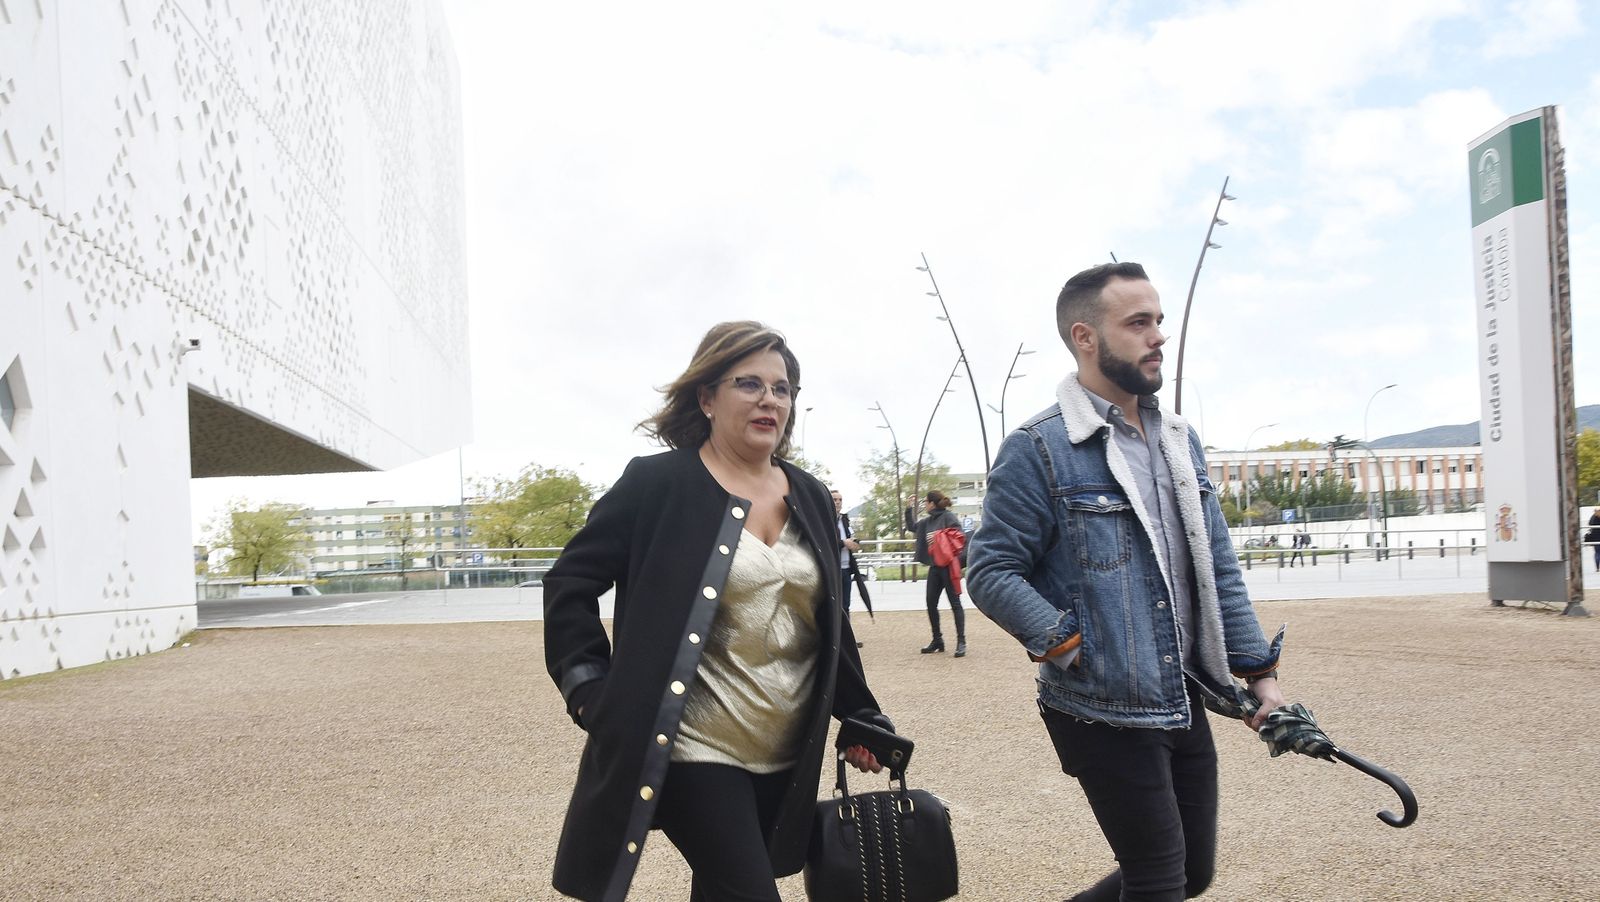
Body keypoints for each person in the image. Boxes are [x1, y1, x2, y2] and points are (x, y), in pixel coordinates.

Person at [543, 321, 894, 902]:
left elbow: (828, 625)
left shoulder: (806, 492)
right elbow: (569, 582)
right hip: (692, 747)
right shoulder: (657, 483)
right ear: (707, 398)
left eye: (782, 389)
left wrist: (860, 715)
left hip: (787, 750)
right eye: (749, 384)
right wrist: (588, 688)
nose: (769, 400)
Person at [968, 262, 1286, 901]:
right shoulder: (1040, 447)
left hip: (1181, 693)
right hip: (1100, 705)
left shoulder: (1179, 441)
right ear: (1086, 337)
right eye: (1138, 323)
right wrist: (1067, 644)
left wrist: (1260, 678)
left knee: (1192, 874)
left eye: (1158, 321)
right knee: (1159, 881)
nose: (1157, 336)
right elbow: (991, 569)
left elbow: (1217, 566)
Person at [905, 489, 968, 657]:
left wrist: (940, 535)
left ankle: (961, 642)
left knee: (955, 604)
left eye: (926, 502)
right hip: (935, 567)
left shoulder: (949, 517)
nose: (925, 504)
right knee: (931, 603)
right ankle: (937, 640)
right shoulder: (927, 521)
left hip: (948, 567)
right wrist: (908, 509)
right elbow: (912, 527)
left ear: (932, 503)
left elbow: (960, 537)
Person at [831, 488, 866, 647]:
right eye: (835, 500)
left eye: (840, 500)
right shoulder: (825, 519)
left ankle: (847, 640)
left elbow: (852, 537)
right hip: (832, 570)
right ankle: (835, 640)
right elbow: (826, 542)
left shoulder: (845, 520)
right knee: (833, 605)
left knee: (846, 605)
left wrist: (855, 542)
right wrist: (844, 543)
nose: (838, 502)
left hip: (846, 569)